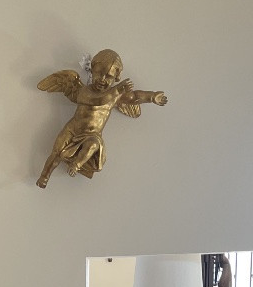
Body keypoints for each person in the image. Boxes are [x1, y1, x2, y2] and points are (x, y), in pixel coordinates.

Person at [36, 49, 167, 187]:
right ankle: (44, 176)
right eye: (99, 73)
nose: (102, 79)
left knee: (93, 145)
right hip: (72, 129)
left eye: (109, 76)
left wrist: (152, 97)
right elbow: (97, 100)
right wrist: (116, 90)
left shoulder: (115, 96)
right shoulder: (85, 91)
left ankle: (76, 165)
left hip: (92, 135)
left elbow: (134, 97)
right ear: (92, 70)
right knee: (56, 151)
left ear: (116, 78)